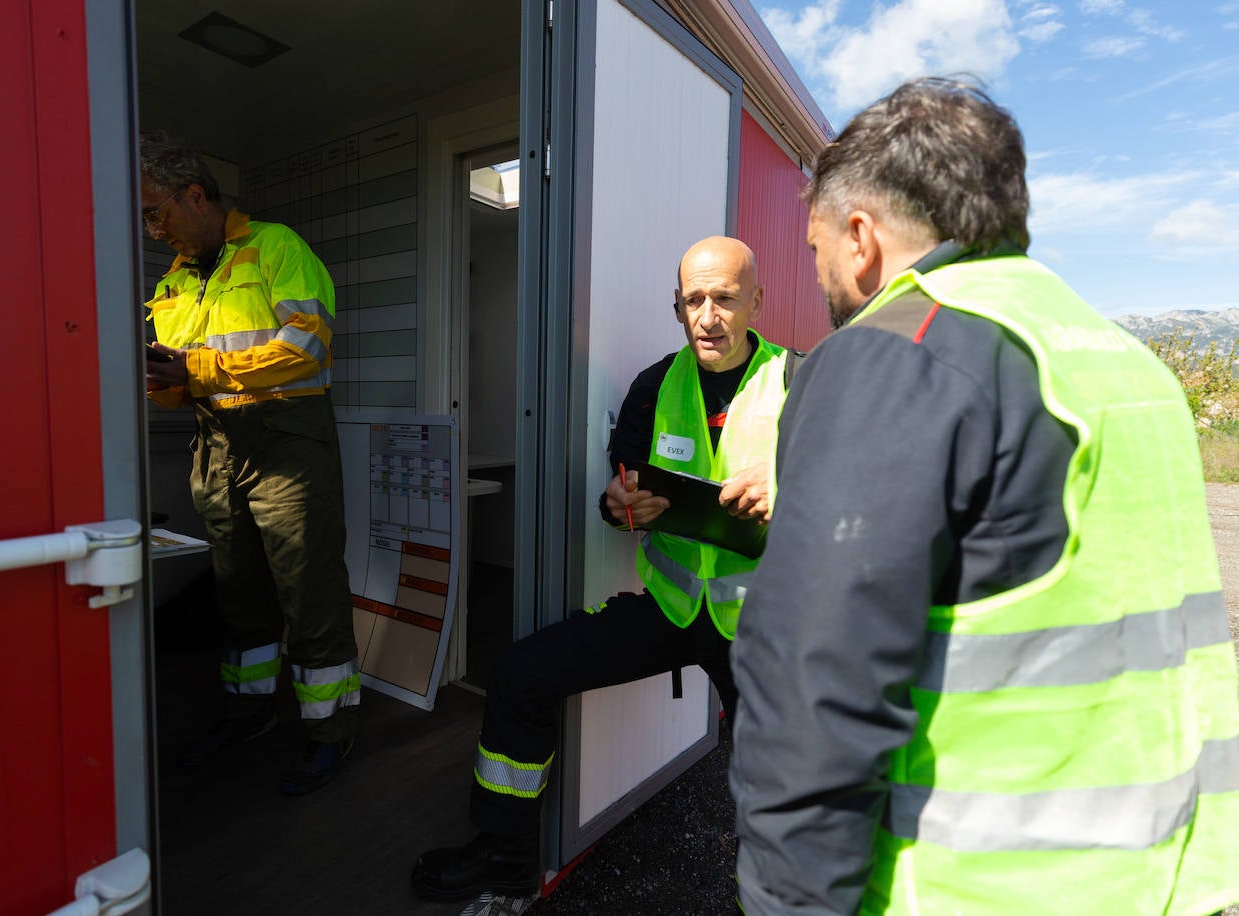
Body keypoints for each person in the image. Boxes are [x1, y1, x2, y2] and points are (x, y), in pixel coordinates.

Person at [730, 77, 1239, 915]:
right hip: (1168, 876)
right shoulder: (1118, 357)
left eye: (816, 249)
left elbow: (816, 690)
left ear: (860, 238)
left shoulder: (896, 348)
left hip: (983, 886)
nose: (819, 277)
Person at [411, 236, 790, 905]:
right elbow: (620, 497)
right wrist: (619, 507)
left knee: (779, 780)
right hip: (672, 611)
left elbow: (859, 499)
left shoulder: (801, 384)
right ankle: (505, 864)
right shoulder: (652, 387)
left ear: (755, 300)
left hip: (759, 627)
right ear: (677, 307)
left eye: (726, 298)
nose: (710, 316)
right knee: (518, 675)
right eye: (695, 300)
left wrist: (789, 483)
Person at [141, 133, 359, 796]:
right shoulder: (173, 282)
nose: (152, 228)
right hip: (215, 447)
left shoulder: (277, 247)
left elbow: (307, 347)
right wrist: (159, 378)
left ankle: (330, 733)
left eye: (158, 212)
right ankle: (249, 715)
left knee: (309, 593)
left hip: (288, 447)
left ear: (197, 196)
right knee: (237, 596)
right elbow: (183, 383)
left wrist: (197, 368)